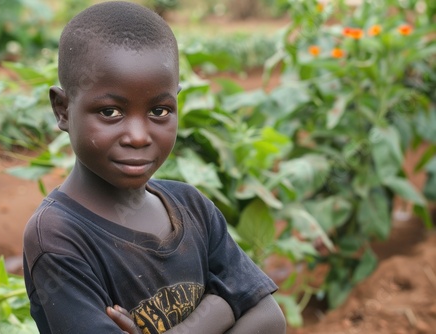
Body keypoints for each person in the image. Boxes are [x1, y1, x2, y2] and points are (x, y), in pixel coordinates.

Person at [22, 1, 286, 333]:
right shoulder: (59, 237)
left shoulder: (192, 207)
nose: (138, 136)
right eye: (110, 112)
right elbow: (245, 301)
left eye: (159, 111)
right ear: (62, 109)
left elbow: (270, 319)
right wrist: (221, 306)